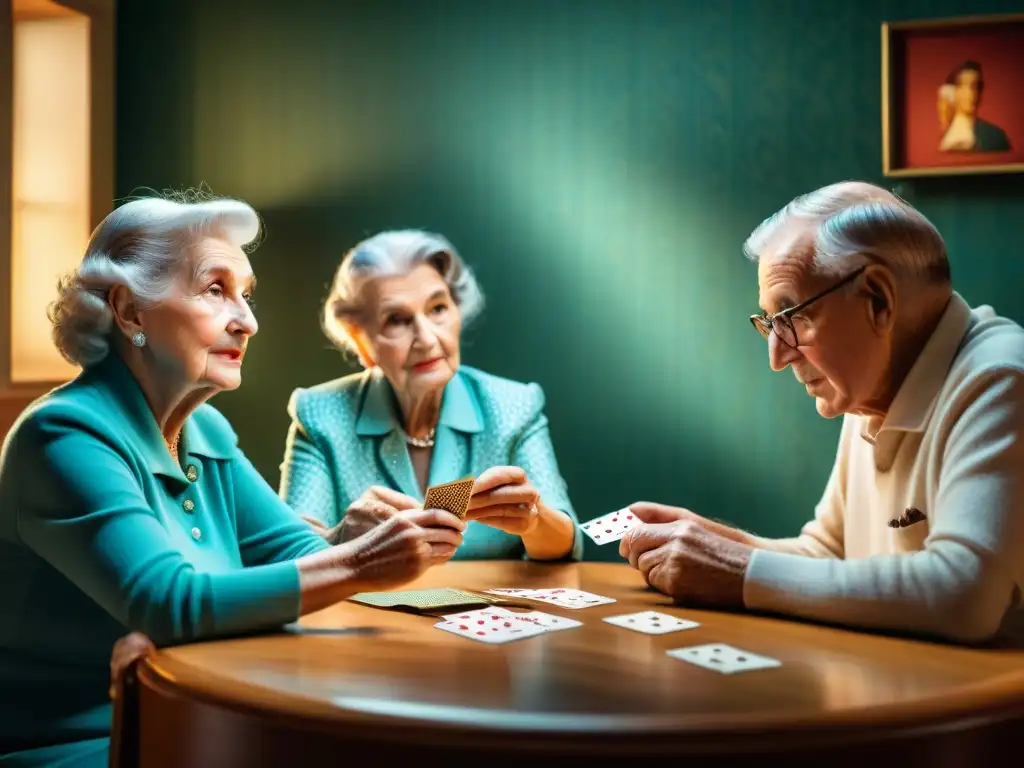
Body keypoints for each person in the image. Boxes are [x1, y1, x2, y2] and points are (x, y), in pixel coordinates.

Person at [0, 195, 465, 766]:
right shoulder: (64, 435)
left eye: (246, 293)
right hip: (88, 743)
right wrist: (363, 560)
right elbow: (170, 604)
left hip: (201, 713)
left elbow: (294, 553)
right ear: (129, 311)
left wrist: (354, 541)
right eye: (215, 290)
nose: (247, 320)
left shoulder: (205, 431)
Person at [620, 181, 1024, 644]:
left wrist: (738, 570)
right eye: (769, 322)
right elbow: (829, 554)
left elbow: (965, 593)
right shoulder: (870, 385)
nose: (777, 355)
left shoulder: (1002, 378)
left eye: (793, 316)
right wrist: (711, 543)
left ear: (878, 300)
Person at [280, 229, 582, 561]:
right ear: (361, 341)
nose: (426, 338)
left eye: (437, 308)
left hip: (490, 606)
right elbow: (289, 553)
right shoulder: (321, 415)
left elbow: (565, 546)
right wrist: (341, 538)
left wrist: (534, 520)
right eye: (397, 320)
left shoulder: (514, 406)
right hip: (367, 611)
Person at [938, 60, 1011, 152]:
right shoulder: (948, 135)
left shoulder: (996, 136)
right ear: (953, 92)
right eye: (963, 85)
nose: (971, 93)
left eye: (975, 86)